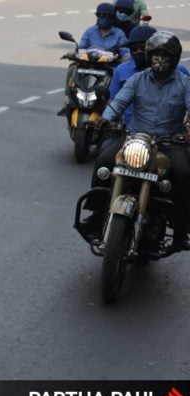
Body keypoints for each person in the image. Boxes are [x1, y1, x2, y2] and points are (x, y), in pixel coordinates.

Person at [84, 31, 190, 247]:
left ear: (174, 58)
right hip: (134, 138)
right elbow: (119, 102)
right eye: (156, 54)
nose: (159, 59)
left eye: (165, 55)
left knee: (183, 172)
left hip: (168, 142)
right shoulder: (137, 79)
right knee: (104, 161)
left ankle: (181, 229)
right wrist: (105, 119)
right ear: (149, 56)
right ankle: (96, 215)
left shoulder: (185, 83)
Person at [109, 26, 190, 127]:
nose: (139, 52)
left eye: (142, 48)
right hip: (134, 133)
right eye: (134, 49)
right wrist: (106, 119)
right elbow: (117, 102)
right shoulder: (134, 78)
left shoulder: (183, 78)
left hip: (171, 134)